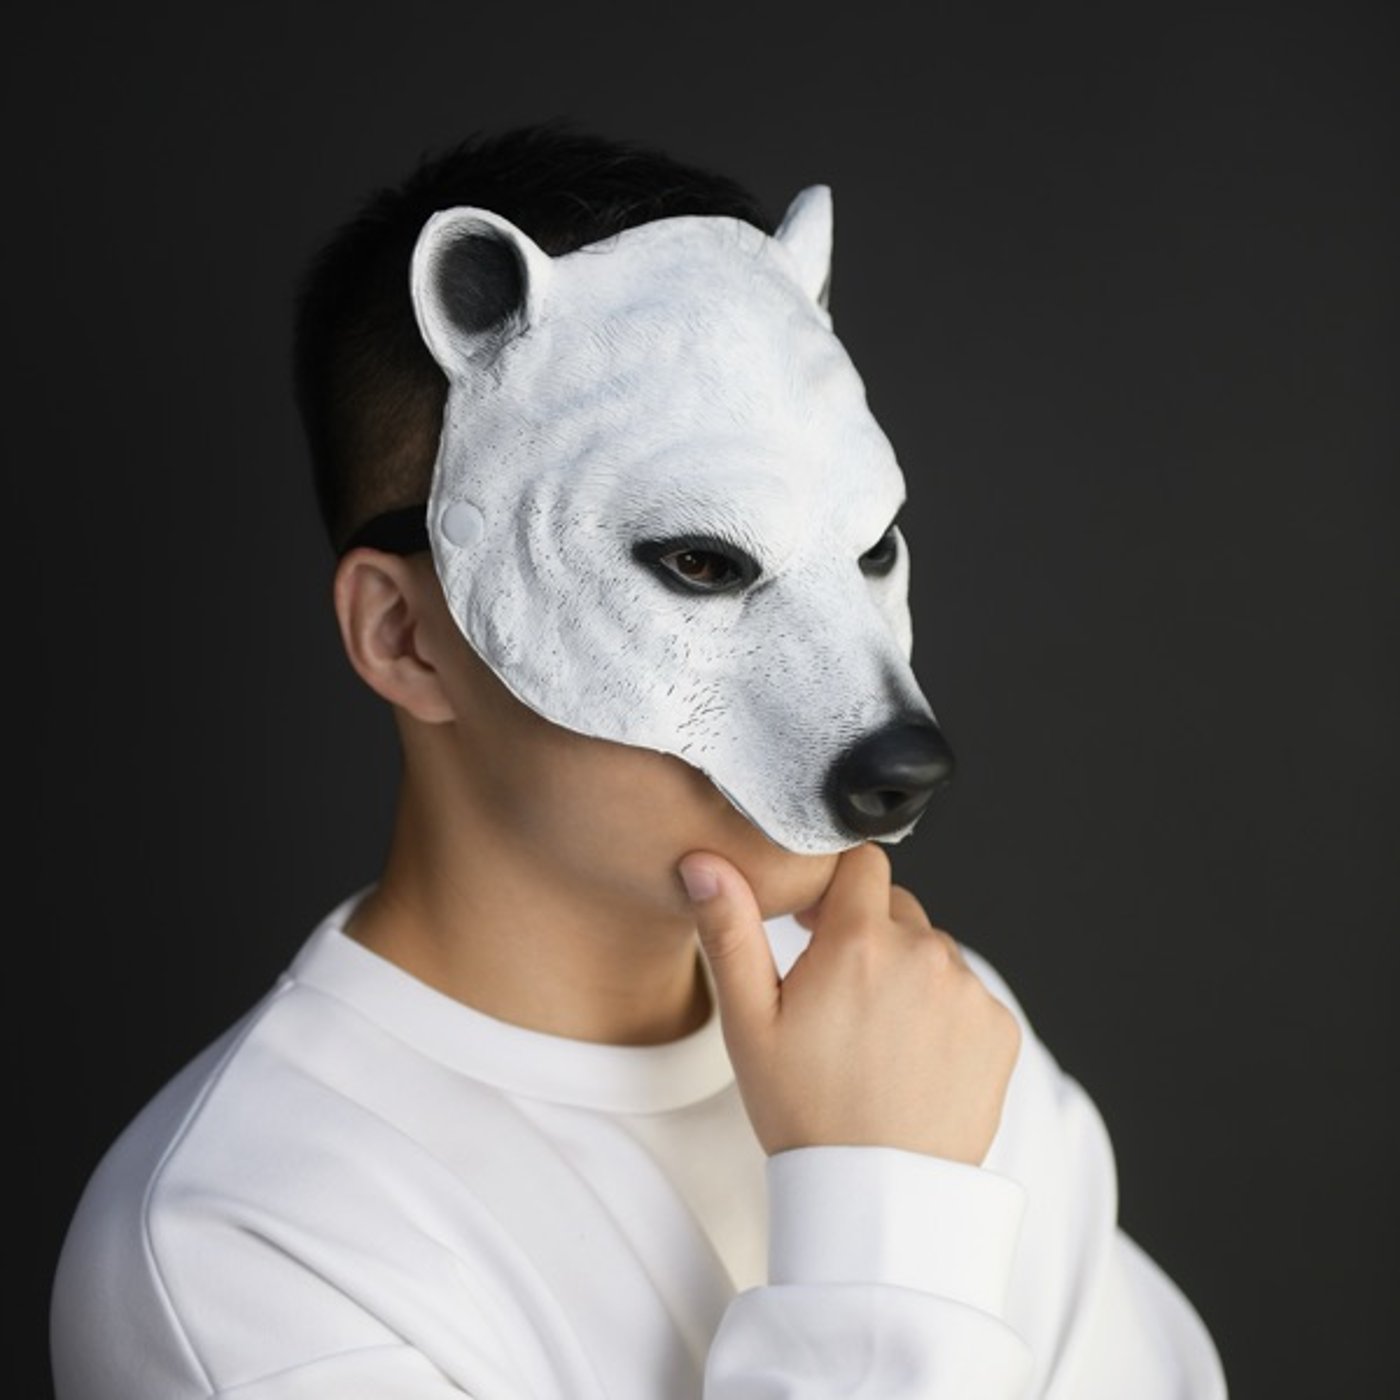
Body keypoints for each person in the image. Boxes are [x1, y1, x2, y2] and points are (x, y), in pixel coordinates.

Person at [50, 123, 1228, 1398]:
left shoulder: (935, 1038)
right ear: (403, 635)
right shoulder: (244, 1254)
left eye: (867, 550)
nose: (882, 716)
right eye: (702, 562)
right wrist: (885, 1209)